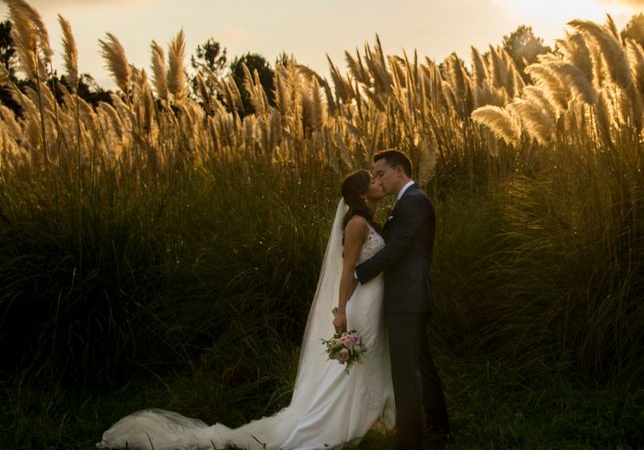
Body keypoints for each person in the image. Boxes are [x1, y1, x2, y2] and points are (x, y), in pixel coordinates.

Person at [98, 170, 395, 449]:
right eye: (371, 179)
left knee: (369, 360)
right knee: (355, 366)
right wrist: (341, 311)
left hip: (372, 301)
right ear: (360, 193)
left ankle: (370, 418)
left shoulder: (368, 220)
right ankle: (338, 423)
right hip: (360, 304)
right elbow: (346, 271)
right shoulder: (356, 224)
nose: (378, 181)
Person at [356, 149, 450, 449]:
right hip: (409, 297)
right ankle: (438, 426)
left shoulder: (414, 202)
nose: (378, 180)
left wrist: (359, 273)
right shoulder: (406, 203)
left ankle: (409, 441)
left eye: (381, 173)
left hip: (407, 299)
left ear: (400, 171)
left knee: (405, 372)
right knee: (420, 363)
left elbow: (395, 250)